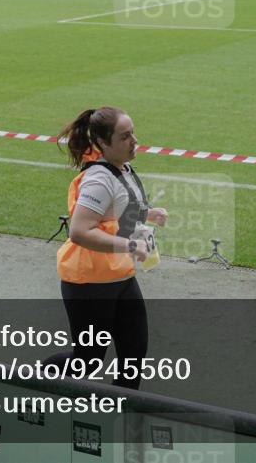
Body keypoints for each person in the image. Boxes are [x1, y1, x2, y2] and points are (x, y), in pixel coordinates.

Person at [48, 106, 168, 390]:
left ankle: (120, 422)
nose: (134, 141)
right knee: (87, 363)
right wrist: (130, 244)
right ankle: (36, 381)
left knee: (133, 356)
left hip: (120, 277)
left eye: (133, 133)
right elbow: (80, 231)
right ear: (103, 143)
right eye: (125, 136)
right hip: (89, 282)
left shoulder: (122, 169)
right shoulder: (99, 179)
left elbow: (117, 209)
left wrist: (148, 214)